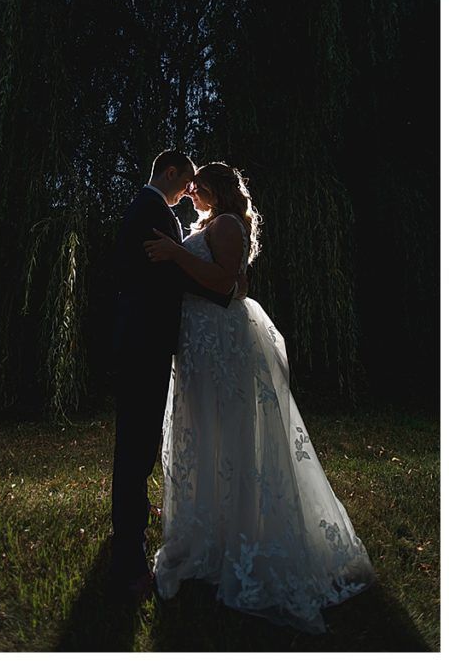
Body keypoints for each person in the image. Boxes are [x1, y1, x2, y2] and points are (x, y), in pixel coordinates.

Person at [144, 162, 374, 632]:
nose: (190, 193)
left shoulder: (227, 224)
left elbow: (224, 284)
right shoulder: (212, 223)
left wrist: (174, 253)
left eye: (198, 187)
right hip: (200, 343)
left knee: (228, 435)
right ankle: (211, 533)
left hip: (219, 344)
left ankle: (239, 539)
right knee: (202, 433)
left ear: (216, 190)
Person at [108, 149, 237, 600]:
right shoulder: (149, 210)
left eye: (197, 184)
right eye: (187, 180)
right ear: (169, 171)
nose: (190, 189)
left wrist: (222, 289)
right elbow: (155, 277)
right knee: (137, 447)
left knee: (139, 445)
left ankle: (125, 545)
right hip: (143, 343)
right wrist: (222, 292)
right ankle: (127, 556)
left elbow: (171, 273)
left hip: (151, 342)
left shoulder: (158, 212)